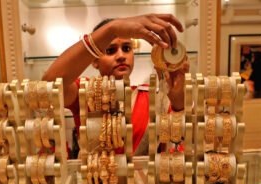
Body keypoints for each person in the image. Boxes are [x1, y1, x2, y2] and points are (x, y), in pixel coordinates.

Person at [42, 14, 189, 157]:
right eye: (110, 50)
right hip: (95, 180)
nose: (121, 56)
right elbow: (47, 88)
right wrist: (112, 29)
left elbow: (182, 141)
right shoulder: (85, 93)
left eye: (126, 48)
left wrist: (179, 105)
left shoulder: (152, 96)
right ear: (94, 61)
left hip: (146, 181)